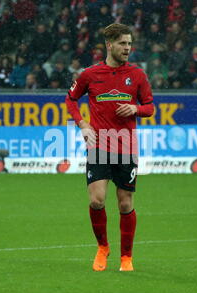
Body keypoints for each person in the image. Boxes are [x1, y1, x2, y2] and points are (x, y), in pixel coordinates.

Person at [65, 23, 154, 272]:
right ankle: (103, 247)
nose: (128, 48)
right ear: (109, 45)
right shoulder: (90, 74)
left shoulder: (137, 75)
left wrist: (136, 108)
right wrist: (82, 123)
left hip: (126, 147)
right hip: (99, 145)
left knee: (125, 204)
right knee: (97, 200)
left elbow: (149, 106)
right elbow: (71, 99)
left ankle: (126, 257)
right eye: (123, 43)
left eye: (129, 43)